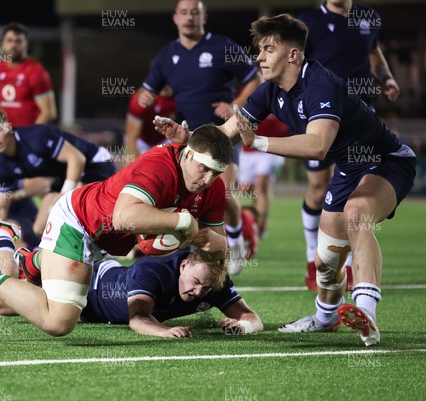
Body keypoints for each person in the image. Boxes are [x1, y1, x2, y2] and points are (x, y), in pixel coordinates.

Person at [154, 14, 416, 346]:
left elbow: (317, 145)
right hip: (350, 171)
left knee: (357, 213)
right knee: (326, 260)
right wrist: (187, 137)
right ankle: (325, 317)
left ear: (293, 54)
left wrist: (260, 142)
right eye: (259, 50)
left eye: (268, 49)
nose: (259, 57)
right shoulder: (268, 93)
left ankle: (366, 311)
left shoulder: (321, 84)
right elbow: (226, 135)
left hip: (388, 162)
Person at [0, 124, 233, 338]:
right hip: (80, 221)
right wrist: (181, 223)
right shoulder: (159, 167)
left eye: (217, 172)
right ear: (188, 154)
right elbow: (123, 217)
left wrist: (212, 240)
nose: (209, 180)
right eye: (205, 169)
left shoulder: (212, 188)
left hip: (102, 240)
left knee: (0, 303)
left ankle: (8, 243)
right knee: (59, 322)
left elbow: (217, 251)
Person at [137, 0, 262, 274]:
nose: (189, 17)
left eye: (195, 12)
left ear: (204, 16)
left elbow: (255, 78)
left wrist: (236, 104)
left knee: (223, 195)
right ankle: (192, 257)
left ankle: (237, 239)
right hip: (185, 142)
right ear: (175, 18)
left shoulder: (222, 46)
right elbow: (148, 89)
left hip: (221, 136)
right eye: (184, 12)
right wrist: (146, 95)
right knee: (186, 197)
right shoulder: (167, 55)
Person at [297, 0, 400, 290]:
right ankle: (310, 259)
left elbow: (374, 52)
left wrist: (387, 78)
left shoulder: (369, 17)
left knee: (356, 191)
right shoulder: (308, 21)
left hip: (359, 118)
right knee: (318, 189)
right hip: (321, 115)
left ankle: (352, 264)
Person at [0, 109, 116, 234]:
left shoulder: (36, 136)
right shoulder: (3, 167)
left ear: (8, 127)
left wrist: (63, 194)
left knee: (72, 209)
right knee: (40, 228)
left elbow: (76, 158)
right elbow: (0, 206)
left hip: (95, 164)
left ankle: (106, 244)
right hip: (66, 175)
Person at [80, 250, 263, 338]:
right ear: (184, 266)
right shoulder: (153, 270)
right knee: (59, 321)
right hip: (90, 286)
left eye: (206, 289)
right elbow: (138, 318)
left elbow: (252, 318)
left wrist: (243, 326)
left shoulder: (215, 281)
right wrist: (165, 331)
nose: (199, 292)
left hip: (110, 279)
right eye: (196, 282)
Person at [0, 22, 57, 178]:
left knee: (38, 187)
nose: (13, 45)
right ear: (3, 43)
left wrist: (30, 138)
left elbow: (49, 112)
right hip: (2, 137)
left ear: (27, 44)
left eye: (18, 41)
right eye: (9, 40)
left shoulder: (36, 72)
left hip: (27, 141)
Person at [237, 114, 288, 239]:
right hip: (248, 149)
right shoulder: (249, 96)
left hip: (272, 147)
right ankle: (252, 220)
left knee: (261, 186)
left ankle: (260, 225)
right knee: (245, 189)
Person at [124, 85, 175, 163]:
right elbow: (131, 138)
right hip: (142, 142)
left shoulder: (183, 97)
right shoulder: (143, 98)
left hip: (166, 139)